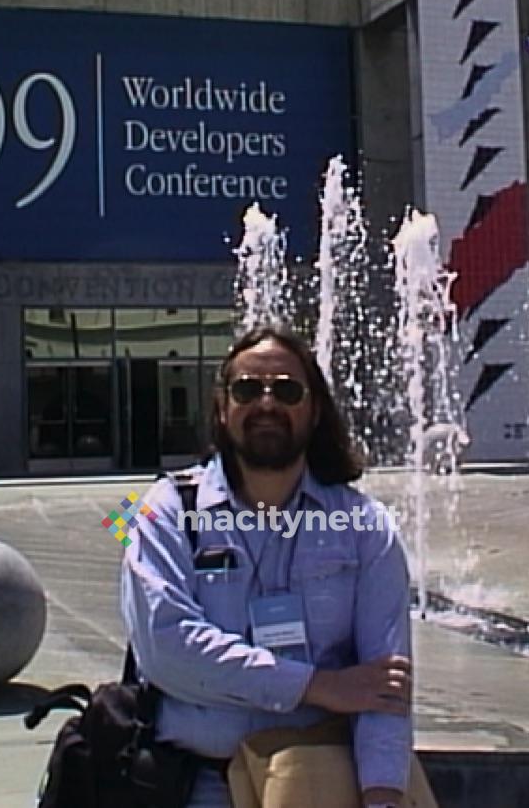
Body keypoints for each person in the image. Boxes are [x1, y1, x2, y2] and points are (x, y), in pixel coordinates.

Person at [121, 326, 413, 808]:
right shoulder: (164, 509)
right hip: (195, 785)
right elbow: (166, 649)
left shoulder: (366, 526)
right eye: (247, 389)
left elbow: (385, 687)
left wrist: (382, 798)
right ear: (222, 407)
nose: (267, 403)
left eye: (287, 390)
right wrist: (318, 687)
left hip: (318, 783)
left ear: (315, 411)